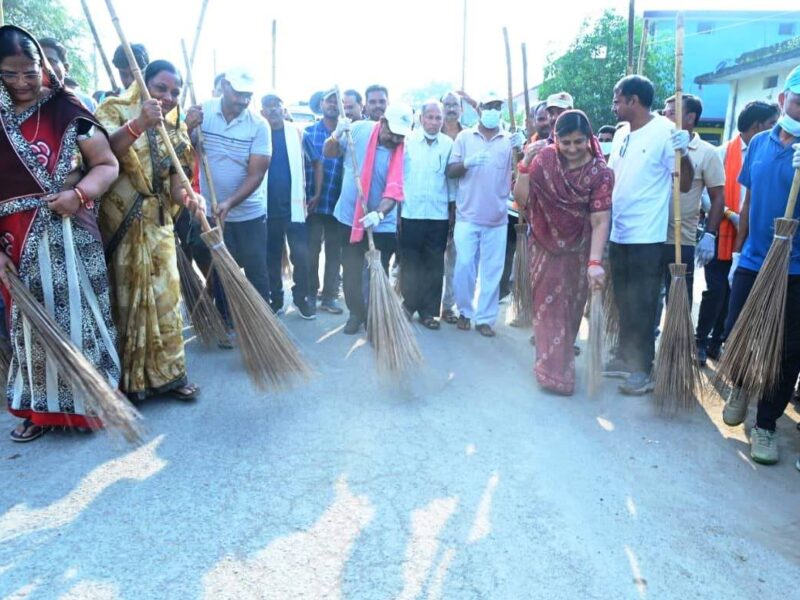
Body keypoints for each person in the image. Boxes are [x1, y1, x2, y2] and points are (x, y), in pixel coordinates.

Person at [0, 26, 120, 442]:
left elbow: (106, 164)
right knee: (28, 327)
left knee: (79, 317)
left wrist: (79, 194)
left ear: (44, 68)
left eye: (29, 72)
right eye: (9, 74)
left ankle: (90, 404)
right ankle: (39, 409)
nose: (21, 83)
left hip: (71, 227)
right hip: (14, 240)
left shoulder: (68, 110)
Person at [96, 59, 205, 402]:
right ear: (142, 84)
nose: (169, 97)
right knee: (126, 301)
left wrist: (191, 198)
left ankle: (171, 375)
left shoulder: (175, 129)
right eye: (161, 88)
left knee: (167, 301)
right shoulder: (113, 109)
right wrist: (139, 124)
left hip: (159, 227)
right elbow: (100, 155)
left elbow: (176, 188)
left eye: (175, 92)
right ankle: (127, 381)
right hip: (121, 224)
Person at [721, 65, 800, 468]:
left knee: (786, 350)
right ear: (784, 99)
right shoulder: (758, 145)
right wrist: (739, 252)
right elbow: (749, 201)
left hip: (795, 269)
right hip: (754, 258)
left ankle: (766, 424)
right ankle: (739, 386)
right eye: (799, 100)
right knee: (738, 329)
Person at [603, 75, 693, 395]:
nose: (614, 106)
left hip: (647, 236)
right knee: (623, 301)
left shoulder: (666, 133)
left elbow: (683, 183)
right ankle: (625, 358)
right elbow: (612, 177)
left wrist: (686, 154)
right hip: (620, 232)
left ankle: (644, 368)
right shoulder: (622, 133)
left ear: (634, 101)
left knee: (643, 304)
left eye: (617, 100)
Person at [517, 110, 612, 395]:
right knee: (546, 308)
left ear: (589, 139)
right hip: (543, 247)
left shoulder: (600, 173)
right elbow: (521, 200)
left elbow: (600, 219)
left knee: (570, 309)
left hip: (579, 251)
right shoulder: (543, 159)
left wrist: (595, 262)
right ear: (554, 138)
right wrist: (524, 166)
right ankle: (552, 373)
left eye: (578, 142)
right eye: (566, 142)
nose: (572, 149)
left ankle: (561, 362)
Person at [695, 101, 780, 362]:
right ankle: (700, 341)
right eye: (770, 124)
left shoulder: (771, 153)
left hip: (751, 238)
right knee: (717, 291)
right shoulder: (721, 153)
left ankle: (718, 342)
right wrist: (731, 215)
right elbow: (708, 196)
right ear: (757, 126)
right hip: (720, 233)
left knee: (735, 295)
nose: (774, 129)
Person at [323, 103, 413, 334]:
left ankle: (375, 314)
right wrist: (336, 135)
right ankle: (356, 313)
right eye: (391, 132)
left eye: (400, 135)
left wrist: (379, 213)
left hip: (381, 223)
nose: (394, 138)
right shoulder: (359, 129)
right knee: (351, 269)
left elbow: (395, 192)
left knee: (376, 271)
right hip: (349, 218)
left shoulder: (405, 153)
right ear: (382, 121)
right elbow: (328, 152)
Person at [446, 93, 525, 337]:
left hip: (497, 218)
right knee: (464, 267)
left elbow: (522, 170)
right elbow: (451, 171)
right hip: (467, 216)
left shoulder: (508, 139)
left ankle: (485, 319)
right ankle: (465, 312)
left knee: (492, 270)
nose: (492, 110)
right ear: (479, 108)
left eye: (496, 106)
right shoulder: (464, 137)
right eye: (488, 106)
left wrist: (521, 150)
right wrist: (468, 163)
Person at [193, 67, 272, 305]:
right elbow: (182, 150)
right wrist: (188, 129)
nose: (243, 100)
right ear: (225, 86)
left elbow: (256, 175)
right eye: (238, 93)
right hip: (211, 212)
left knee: (256, 270)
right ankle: (227, 320)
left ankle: (262, 322)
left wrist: (229, 202)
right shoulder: (202, 112)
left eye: (248, 95)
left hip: (249, 215)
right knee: (220, 269)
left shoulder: (259, 125)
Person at [661, 93, 725, 311]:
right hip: (650, 234)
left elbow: (718, 197)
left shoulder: (708, 152)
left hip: (681, 239)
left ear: (690, 118)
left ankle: (678, 343)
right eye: (664, 111)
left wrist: (709, 234)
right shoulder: (657, 144)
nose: (664, 116)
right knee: (647, 297)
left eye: (671, 112)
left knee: (678, 301)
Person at [400, 100, 454, 329]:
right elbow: (400, 177)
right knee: (410, 262)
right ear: (421, 118)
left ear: (443, 121)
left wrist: (452, 212)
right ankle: (408, 305)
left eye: (438, 118)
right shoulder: (408, 141)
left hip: (438, 214)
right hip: (411, 212)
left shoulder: (449, 144)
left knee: (434, 264)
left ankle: (429, 312)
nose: (433, 122)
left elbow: (451, 181)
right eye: (429, 117)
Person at [260, 92, 315, 319]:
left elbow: (317, 161)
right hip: (266, 208)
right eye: (268, 106)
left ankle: (301, 298)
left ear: (283, 110)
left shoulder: (297, 134)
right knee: (271, 256)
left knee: (301, 256)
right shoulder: (258, 133)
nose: (272, 110)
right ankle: (276, 298)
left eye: (276, 106)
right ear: (262, 112)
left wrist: (316, 194)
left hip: (294, 207)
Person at [304, 89, 344, 314]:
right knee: (311, 250)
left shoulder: (347, 133)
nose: (332, 105)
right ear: (321, 104)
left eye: (336, 101)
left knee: (334, 252)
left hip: (337, 203)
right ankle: (310, 292)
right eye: (328, 101)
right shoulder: (308, 132)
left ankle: (330, 296)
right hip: (314, 202)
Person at [439, 91, 466, 324]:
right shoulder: (431, 133)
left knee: (455, 259)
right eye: (446, 104)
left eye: (454, 104)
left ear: (461, 109)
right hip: (436, 203)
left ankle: (448, 306)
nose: (450, 108)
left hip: (462, 204)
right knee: (433, 256)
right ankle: (426, 303)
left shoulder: (469, 135)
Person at [38, 37, 96, 111]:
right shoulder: (25, 104)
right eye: (38, 63)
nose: (43, 67)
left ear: (65, 68)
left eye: (50, 61)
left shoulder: (86, 103)